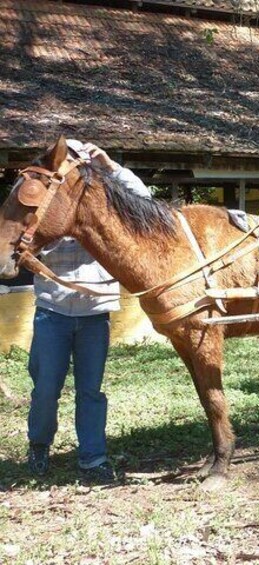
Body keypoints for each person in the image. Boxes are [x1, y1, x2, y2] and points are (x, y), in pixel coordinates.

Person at [27, 140, 151, 483]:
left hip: (95, 313)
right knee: (45, 388)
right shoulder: (47, 204)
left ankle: (93, 459)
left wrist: (112, 166)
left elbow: (145, 200)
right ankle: (39, 445)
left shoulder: (105, 202)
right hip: (52, 311)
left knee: (90, 391)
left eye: (80, 162)